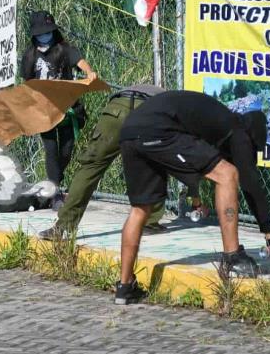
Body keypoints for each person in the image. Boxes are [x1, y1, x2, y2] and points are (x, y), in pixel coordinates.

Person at [114, 90, 270, 304]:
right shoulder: (238, 128)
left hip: (131, 129)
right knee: (227, 174)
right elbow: (250, 183)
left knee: (141, 209)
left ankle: (124, 286)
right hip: (159, 129)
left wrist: (196, 200)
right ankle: (233, 257)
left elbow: (192, 165)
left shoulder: (214, 119)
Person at [39, 84, 210, 239]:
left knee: (91, 166)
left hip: (116, 110)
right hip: (149, 114)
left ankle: (62, 228)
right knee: (157, 163)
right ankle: (149, 223)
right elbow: (185, 162)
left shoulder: (167, 95)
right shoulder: (183, 111)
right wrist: (196, 202)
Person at [20, 11, 96, 209]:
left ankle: (53, 182)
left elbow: (79, 61)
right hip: (43, 111)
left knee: (66, 150)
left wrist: (89, 72)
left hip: (68, 109)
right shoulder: (30, 55)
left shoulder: (64, 49)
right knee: (51, 149)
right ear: (34, 35)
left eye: (48, 32)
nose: (45, 36)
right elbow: (27, 83)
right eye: (41, 34)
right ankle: (55, 193)